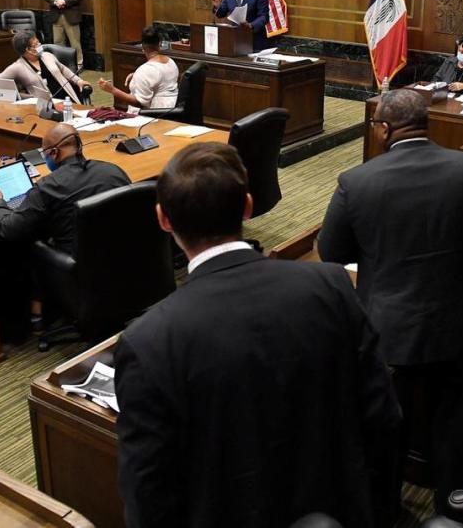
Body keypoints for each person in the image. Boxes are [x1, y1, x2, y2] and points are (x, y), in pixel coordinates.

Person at [115, 142, 401, 528]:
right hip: (338, 509)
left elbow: (149, 494)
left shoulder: (148, 340)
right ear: (248, 206)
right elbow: (382, 417)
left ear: (163, 219)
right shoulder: (330, 285)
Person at [318, 89, 463, 510]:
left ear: (385, 129)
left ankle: (386, 508)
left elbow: (332, 251)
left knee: (388, 430)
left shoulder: (357, 180)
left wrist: (379, 252)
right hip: (461, 325)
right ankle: (454, 508)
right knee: (457, 429)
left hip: (390, 332)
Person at [0, 123, 130, 256]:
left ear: (54, 153)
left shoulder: (48, 186)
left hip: (77, 269)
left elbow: (10, 229)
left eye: (44, 153)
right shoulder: (114, 171)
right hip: (123, 257)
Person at [0, 32, 90, 103]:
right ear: (28, 50)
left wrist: (78, 81)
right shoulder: (18, 67)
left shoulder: (47, 55)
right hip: (46, 107)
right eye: (36, 44)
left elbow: (63, 69)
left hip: (68, 100)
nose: (40, 45)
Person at [98, 26, 179, 113]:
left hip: (153, 116)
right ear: (160, 44)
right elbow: (160, 76)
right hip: (172, 111)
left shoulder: (145, 71)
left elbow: (139, 103)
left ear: (142, 48)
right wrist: (136, 74)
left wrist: (112, 90)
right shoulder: (171, 62)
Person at [43, 0, 85, 69]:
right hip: (56, 15)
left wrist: (65, 1)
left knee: (75, 42)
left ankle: (79, 64)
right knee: (58, 42)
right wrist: (55, 1)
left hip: (71, 16)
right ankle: (61, 64)